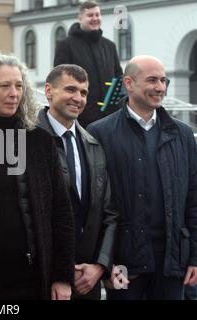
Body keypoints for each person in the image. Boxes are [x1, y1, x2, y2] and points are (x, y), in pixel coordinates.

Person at [0, 52, 75, 300]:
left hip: (31, 277)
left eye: (19, 86)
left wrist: (62, 277)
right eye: (5, 86)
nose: (14, 94)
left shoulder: (40, 141)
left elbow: (61, 213)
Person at [87, 55, 197, 299]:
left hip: (172, 261)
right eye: (152, 80)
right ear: (129, 83)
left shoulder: (183, 135)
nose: (160, 87)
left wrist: (194, 257)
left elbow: (193, 198)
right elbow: (95, 207)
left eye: (163, 80)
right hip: (124, 263)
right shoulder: (100, 133)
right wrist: (104, 262)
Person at [37, 64, 118, 299]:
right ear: (49, 91)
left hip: (87, 281)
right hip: (45, 280)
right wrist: (59, 273)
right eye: (71, 89)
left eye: (83, 92)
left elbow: (109, 213)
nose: (78, 98)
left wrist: (99, 267)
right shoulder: (28, 139)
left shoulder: (93, 144)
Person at [54, 1, 123, 128]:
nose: (95, 19)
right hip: (80, 118)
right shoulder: (66, 45)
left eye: (97, 15)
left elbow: (119, 77)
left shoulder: (110, 46)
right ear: (80, 18)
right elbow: (60, 81)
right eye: (90, 15)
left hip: (110, 117)